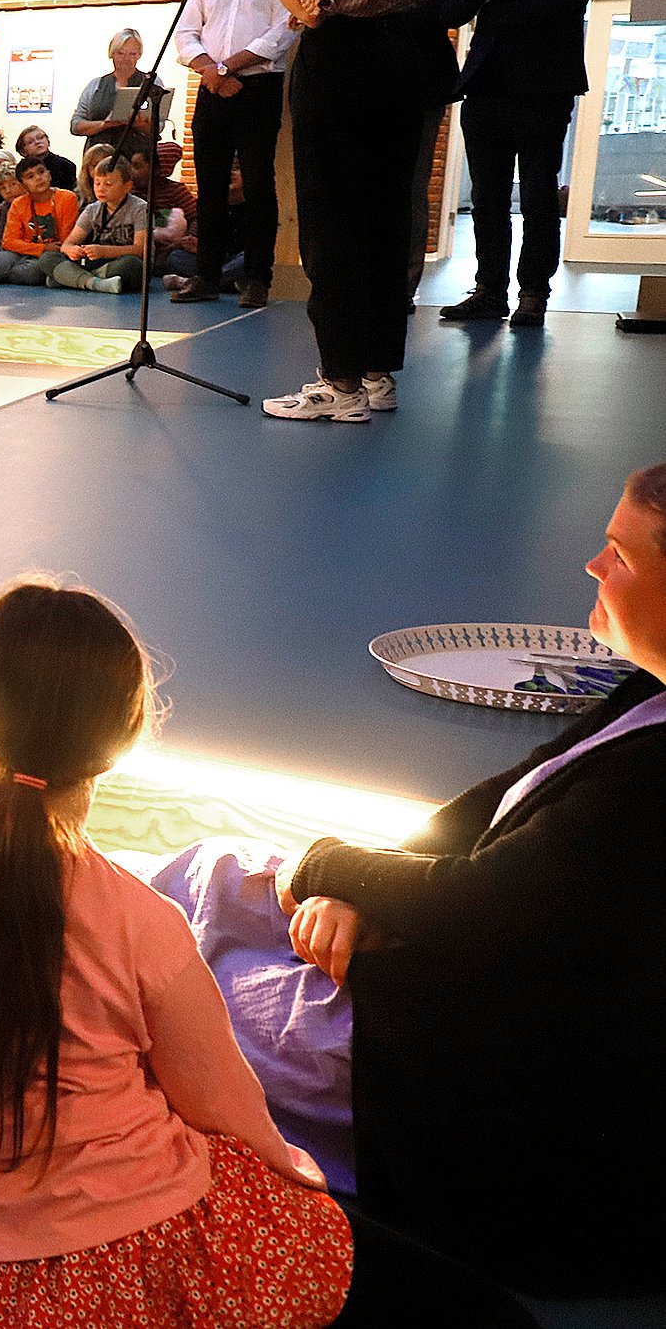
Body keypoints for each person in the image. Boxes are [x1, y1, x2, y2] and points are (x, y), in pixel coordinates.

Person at [148, 464, 666, 1298]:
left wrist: (332, 867)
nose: (593, 566)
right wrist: (359, 887)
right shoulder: (648, 693)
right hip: (454, 963)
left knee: (190, 996)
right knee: (205, 869)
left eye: (622, 555)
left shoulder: (652, 786)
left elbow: (486, 905)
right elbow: (495, 802)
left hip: (452, 1064)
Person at [0, 581, 365, 1329]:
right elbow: (227, 1112)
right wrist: (296, 1171)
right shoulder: (144, 919)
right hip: (149, 1253)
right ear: (125, 735)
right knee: (320, 1231)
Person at [255, 0, 452, 423]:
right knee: (386, 221)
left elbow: (312, 9)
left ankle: (338, 385)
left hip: (340, 67)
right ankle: (376, 375)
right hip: (402, 63)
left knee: (332, 225)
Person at [437, 0, 606, 330]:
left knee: (536, 195)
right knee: (487, 198)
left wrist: (494, 10)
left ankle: (533, 293)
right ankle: (488, 290)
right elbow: (452, 13)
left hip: (542, 90)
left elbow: (560, 7)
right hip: (485, 89)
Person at [173, 0, 296, 308]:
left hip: (257, 86)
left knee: (258, 183)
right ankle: (206, 275)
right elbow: (186, 32)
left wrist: (227, 68)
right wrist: (212, 70)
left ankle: (257, 278)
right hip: (212, 87)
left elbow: (281, 34)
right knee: (209, 186)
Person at [49, 147, 150, 294]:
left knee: (132, 265)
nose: (101, 189)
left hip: (118, 262)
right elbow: (67, 244)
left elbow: (140, 249)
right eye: (97, 183)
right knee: (48, 257)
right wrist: (73, 250)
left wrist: (104, 251)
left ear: (127, 186)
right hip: (95, 262)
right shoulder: (92, 209)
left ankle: (70, 277)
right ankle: (95, 282)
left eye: (108, 184)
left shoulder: (140, 208)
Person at [69, 27, 170, 162]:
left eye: (132, 54)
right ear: (112, 54)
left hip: (137, 160)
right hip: (99, 159)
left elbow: (159, 126)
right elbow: (76, 125)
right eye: (121, 53)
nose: (126, 59)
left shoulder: (151, 83)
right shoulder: (96, 85)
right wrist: (105, 124)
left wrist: (139, 124)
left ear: (139, 55)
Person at [0, 157, 78, 286]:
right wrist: (42, 247)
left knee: (26, 274)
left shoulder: (67, 198)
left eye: (41, 172)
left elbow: (63, 242)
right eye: (30, 176)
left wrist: (43, 250)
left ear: (49, 175)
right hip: (20, 252)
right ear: (23, 185)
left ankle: (1, 276)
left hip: (50, 255)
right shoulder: (18, 203)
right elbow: (8, 242)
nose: (38, 178)